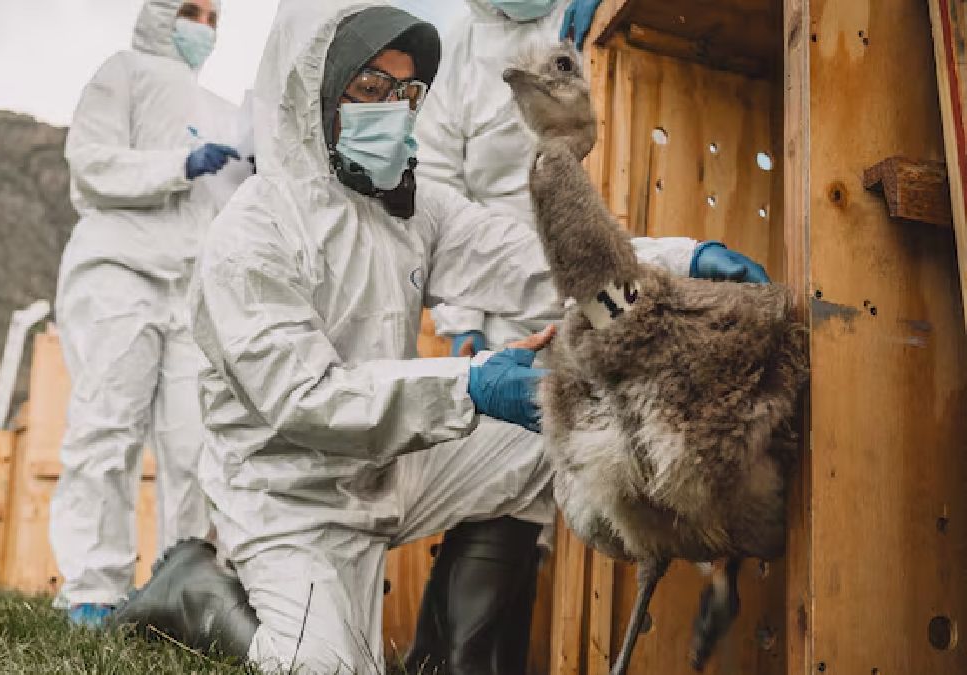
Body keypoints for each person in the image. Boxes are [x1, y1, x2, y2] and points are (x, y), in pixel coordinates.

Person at [113, 2, 769, 673]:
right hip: (286, 492)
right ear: (316, 86)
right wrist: (473, 382)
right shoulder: (250, 236)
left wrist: (682, 266)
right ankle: (196, 592)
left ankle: (460, 660)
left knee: (556, 430)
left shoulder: (408, 205)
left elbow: (534, 263)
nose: (392, 109)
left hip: (386, 467)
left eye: (407, 92)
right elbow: (306, 398)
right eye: (371, 87)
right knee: (326, 666)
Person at [49, 0, 252, 627]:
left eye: (214, 17)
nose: (203, 28)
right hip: (120, 273)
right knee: (106, 430)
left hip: (189, 290)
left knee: (195, 443)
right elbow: (92, 164)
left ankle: (179, 579)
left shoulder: (219, 108)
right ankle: (92, 589)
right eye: (192, 11)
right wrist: (176, 165)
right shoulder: (123, 72)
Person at [415, 0, 765, 356]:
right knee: (548, 396)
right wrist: (463, 320)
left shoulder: (586, 15)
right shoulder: (456, 54)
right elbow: (441, 196)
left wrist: (679, 262)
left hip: (616, 272)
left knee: (631, 375)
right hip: (513, 293)